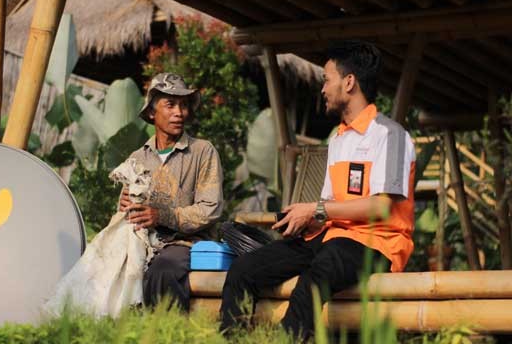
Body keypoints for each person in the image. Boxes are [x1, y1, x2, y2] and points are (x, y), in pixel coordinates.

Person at [219, 40, 416, 339]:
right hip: (330, 238)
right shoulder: (338, 139)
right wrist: (304, 218)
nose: (322, 89)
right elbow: (330, 205)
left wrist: (316, 209)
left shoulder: (391, 136)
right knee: (243, 270)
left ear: (349, 82)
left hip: (376, 243)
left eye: (326, 80)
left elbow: (380, 207)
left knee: (315, 276)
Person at [118, 72, 223, 311]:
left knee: (163, 268)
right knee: (107, 264)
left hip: (185, 243)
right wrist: (124, 206)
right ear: (152, 112)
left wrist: (162, 216)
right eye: (171, 104)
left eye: (183, 105)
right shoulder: (137, 158)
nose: (179, 112)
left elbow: (210, 208)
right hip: (142, 242)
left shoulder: (202, 151)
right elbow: (125, 210)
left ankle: (167, 328)